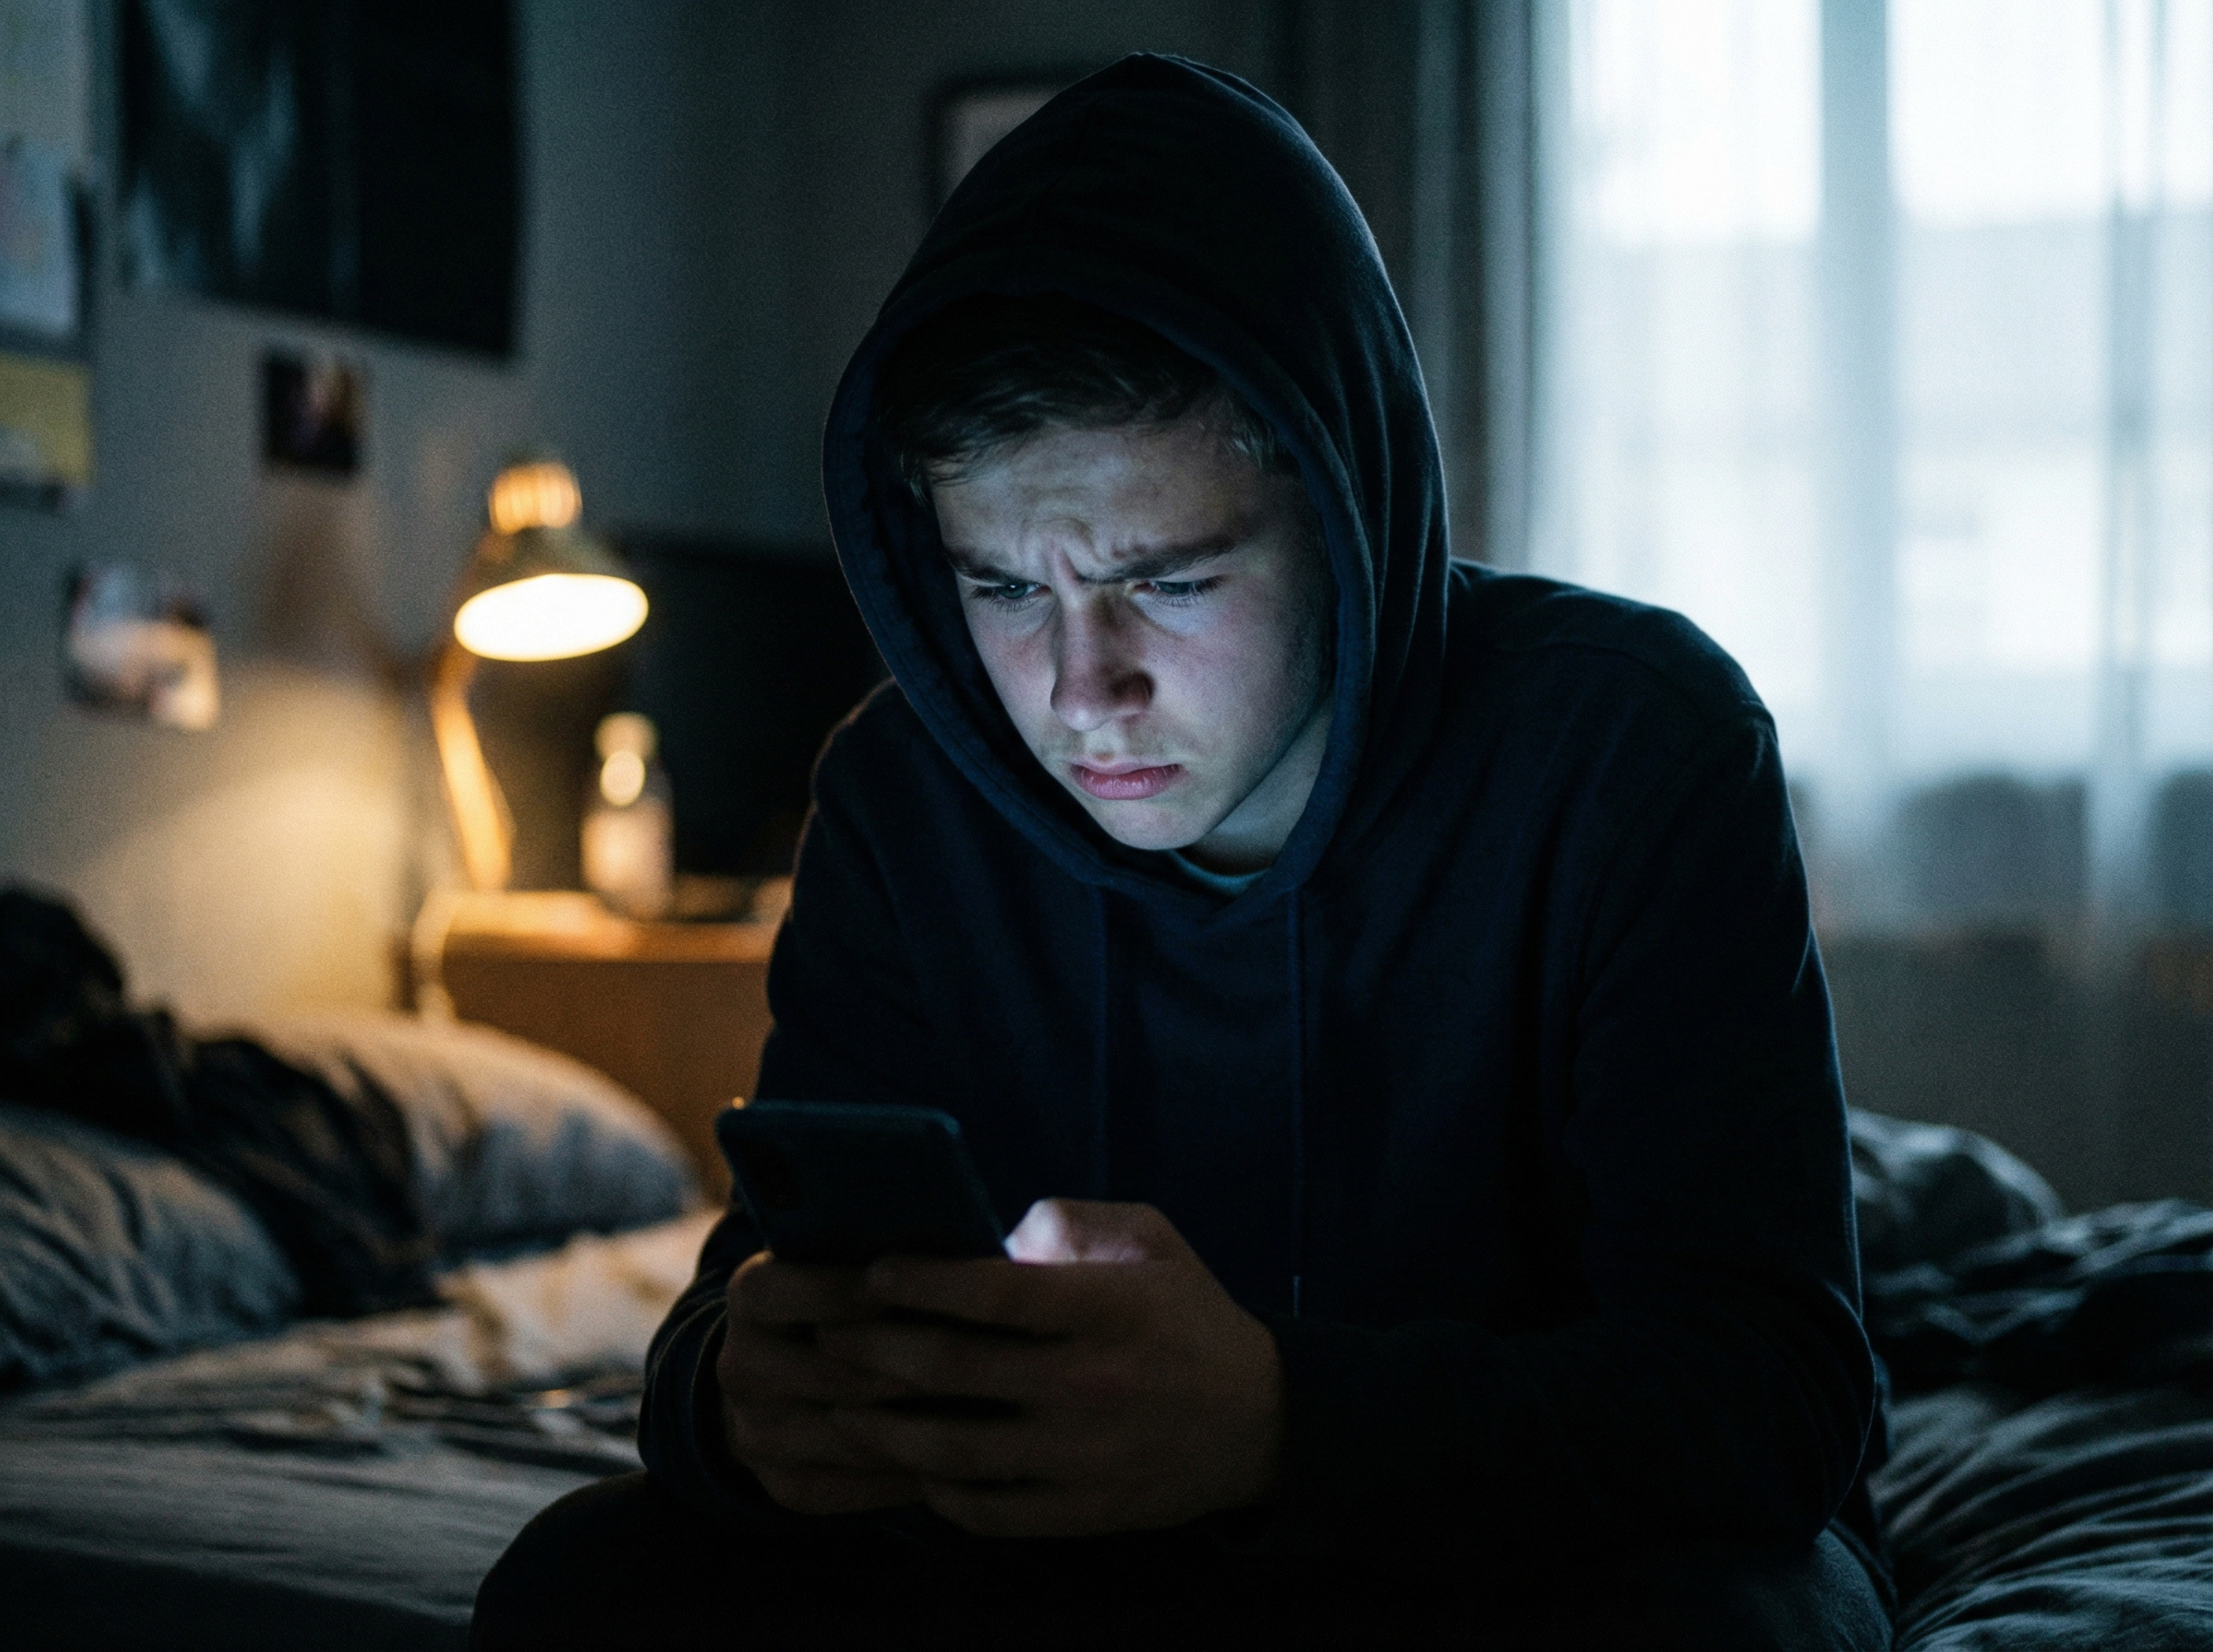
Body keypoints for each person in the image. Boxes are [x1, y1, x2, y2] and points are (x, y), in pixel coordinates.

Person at [474, 55, 1891, 1649]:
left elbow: (1777, 1398)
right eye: (1006, 590)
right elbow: (743, 1305)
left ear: (1345, 519)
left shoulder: (1636, 743)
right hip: (1050, 1541)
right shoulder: (899, 794)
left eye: (1169, 582)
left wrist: (1282, 1418)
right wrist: (739, 1398)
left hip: (1507, 1547)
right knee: (583, 1582)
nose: (1083, 692)